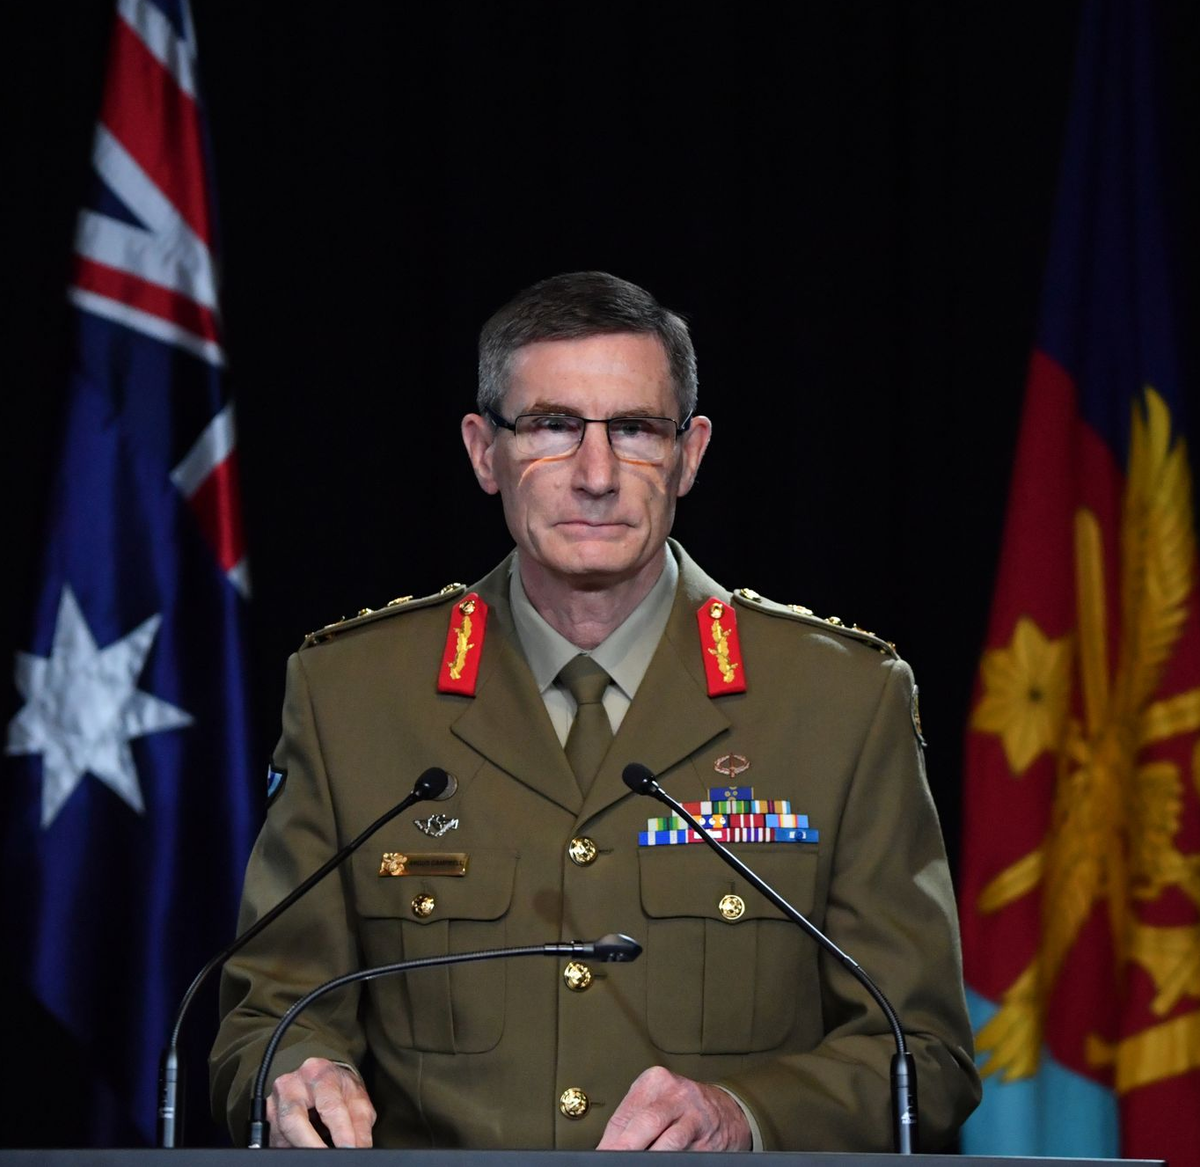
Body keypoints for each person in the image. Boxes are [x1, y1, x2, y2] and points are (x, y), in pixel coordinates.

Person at [210, 271, 980, 1151]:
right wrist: (300, 1068)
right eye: (551, 426)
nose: (597, 474)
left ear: (689, 453)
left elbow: (925, 1051)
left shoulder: (841, 701)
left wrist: (748, 1116)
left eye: (637, 430)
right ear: (481, 450)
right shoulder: (353, 696)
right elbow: (265, 1015)